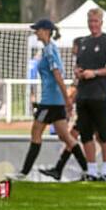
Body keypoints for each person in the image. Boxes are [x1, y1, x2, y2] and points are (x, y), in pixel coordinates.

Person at [19, 18, 81, 179]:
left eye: (38, 29)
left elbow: (58, 75)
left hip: (49, 101)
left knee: (36, 134)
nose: (36, 32)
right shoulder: (50, 48)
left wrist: (67, 99)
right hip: (56, 101)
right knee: (65, 137)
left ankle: (24, 172)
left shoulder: (49, 50)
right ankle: (88, 169)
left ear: (46, 31)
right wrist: (64, 98)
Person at [72, 8, 106, 182]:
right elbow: (78, 65)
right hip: (83, 95)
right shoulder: (83, 42)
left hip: (100, 95)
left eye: (96, 21)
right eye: (90, 21)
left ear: (101, 22)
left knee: (103, 133)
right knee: (85, 133)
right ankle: (91, 170)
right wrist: (78, 72)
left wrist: (95, 73)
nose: (93, 25)